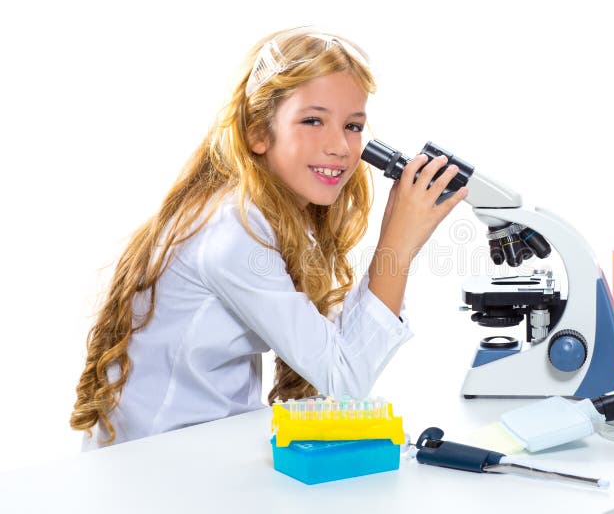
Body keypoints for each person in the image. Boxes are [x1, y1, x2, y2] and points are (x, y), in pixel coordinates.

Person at [69, 28, 468, 448]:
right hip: (161, 464)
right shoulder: (233, 231)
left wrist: (396, 231)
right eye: (313, 120)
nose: (340, 146)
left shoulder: (267, 213)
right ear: (257, 132)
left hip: (195, 448)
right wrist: (398, 244)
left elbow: (330, 346)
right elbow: (345, 379)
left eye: (353, 126)